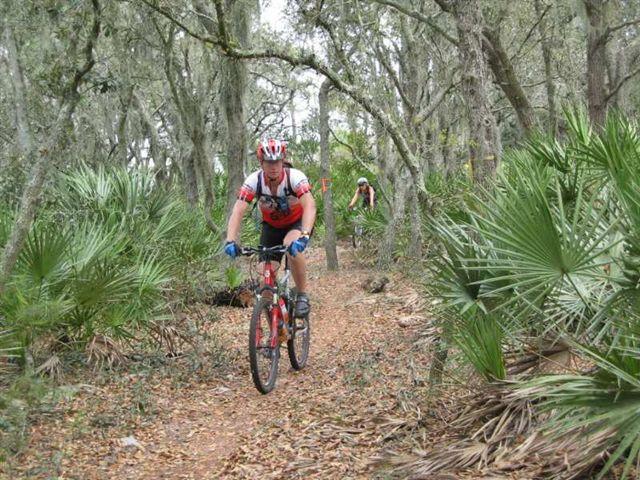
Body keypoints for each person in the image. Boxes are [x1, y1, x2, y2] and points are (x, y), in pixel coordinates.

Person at [223, 138, 316, 317]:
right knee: (264, 286)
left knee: (291, 245)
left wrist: (304, 234)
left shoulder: (294, 177)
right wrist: (230, 240)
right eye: (269, 162)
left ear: (283, 161)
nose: (274, 166)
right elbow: (238, 210)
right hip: (271, 228)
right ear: (261, 163)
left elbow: (310, 205)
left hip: (296, 223)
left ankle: (302, 295)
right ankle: (273, 332)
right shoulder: (254, 181)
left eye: (277, 161)